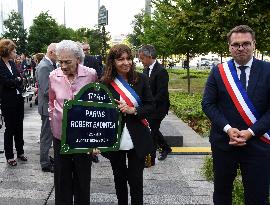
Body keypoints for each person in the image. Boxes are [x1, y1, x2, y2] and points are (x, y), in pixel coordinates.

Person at [202, 25, 270, 204]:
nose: (241, 48)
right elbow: (208, 104)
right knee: (222, 193)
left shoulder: (268, 70)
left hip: (259, 142)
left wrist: (251, 132)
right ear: (229, 47)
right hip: (225, 142)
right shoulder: (218, 71)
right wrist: (227, 128)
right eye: (236, 44)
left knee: (257, 196)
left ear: (254, 44)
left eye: (246, 43)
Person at [101, 44, 154, 205]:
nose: (126, 62)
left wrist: (133, 110)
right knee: (119, 178)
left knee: (136, 179)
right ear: (112, 62)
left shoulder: (141, 78)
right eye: (120, 59)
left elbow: (151, 106)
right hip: (114, 137)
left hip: (137, 136)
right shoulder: (105, 83)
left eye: (128, 58)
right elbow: (100, 113)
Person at [49, 40, 97, 205]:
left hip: (82, 136)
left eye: (67, 62)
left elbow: (95, 104)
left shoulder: (91, 74)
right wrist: (53, 120)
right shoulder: (53, 75)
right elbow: (51, 102)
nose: (62, 65)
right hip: (60, 134)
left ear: (78, 59)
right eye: (60, 61)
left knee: (82, 176)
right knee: (62, 177)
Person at [138, 45, 171, 166]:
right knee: (153, 129)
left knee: (151, 132)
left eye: (142, 58)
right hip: (149, 107)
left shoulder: (161, 71)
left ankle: (150, 160)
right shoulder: (146, 70)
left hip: (158, 108)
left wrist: (149, 104)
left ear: (149, 56)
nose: (141, 61)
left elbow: (161, 93)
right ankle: (166, 148)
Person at [0, 39, 27, 166]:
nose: (15, 53)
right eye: (13, 50)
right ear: (6, 50)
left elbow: (19, 79)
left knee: (19, 126)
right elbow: (6, 82)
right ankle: (10, 156)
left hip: (18, 98)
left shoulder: (11, 63)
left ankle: (20, 151)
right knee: (10, 128)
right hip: (7, 101)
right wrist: (15, 80)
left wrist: (16, 80)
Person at [36, 43, 57, 173]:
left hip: (48, 106)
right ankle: (44, 163)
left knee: (48, 135)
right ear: (51, 52)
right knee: (46, 136)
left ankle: (46, 159)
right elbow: (45, 90)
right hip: (46, 107)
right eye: (58, 53)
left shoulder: (48, 64)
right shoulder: (44, 66)